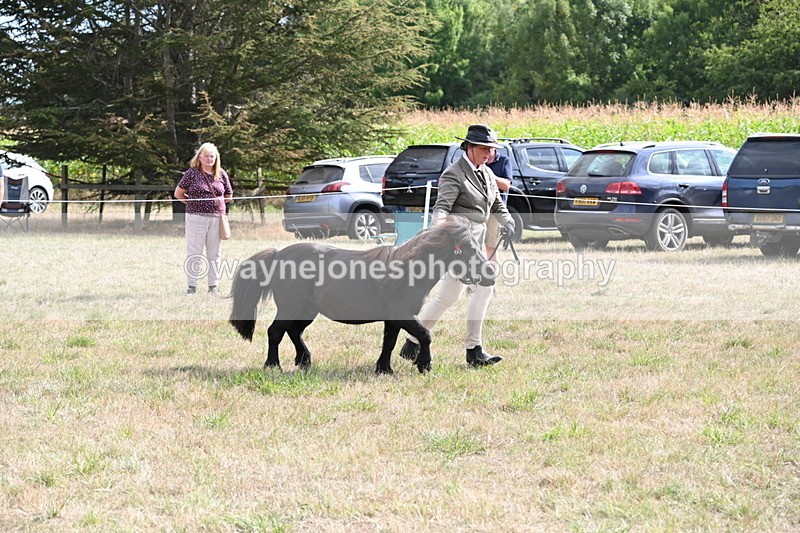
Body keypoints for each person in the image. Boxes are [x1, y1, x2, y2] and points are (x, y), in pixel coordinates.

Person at [400, 124, 515, 367]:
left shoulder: (485, 173)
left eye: (492, 149)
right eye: (485, 148)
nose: (489, 154)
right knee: (484, 285)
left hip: (476, 241)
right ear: (469, 147)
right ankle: (474, 349)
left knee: (448, 297)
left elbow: (496, 206)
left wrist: (508, 220)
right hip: (459, 246)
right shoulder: (454, 173)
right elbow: (441, 207)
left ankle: (412, 341)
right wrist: (439, 228)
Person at [174, 142, 232, 295]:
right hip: (196, 218)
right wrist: (193, 203)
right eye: (206, 156)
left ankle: (213, 286)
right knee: (195, 252)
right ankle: (191, 287)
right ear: (199, 157)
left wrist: (217, 205)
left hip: (215, 218)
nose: (209, 159)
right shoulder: (192, 173)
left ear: (216, 158)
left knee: (215, 253)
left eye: (212, 156)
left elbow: (228, 195)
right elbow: (178, 194)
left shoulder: (221, 173)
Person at [486, 149, 513, 259]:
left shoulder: (504, 161)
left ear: (493, 148)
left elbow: (506, 186)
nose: (485, 153)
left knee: (491, 245)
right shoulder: (475, 162)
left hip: (495, 211)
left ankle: (491, 273)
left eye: (488, 149)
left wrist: (488, 174)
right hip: (478, 209)